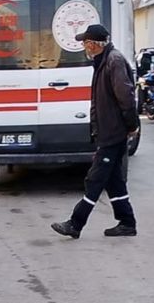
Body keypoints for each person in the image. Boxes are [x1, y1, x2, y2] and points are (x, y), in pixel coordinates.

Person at [51, 25, 139, 239]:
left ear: (93, 44)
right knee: (113, 180)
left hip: (114, 131)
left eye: (85, 43)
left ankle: (75, 223)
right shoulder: (104, 61)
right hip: (109, 131)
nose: (84, 46)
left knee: (96, 179)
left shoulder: (113, 61)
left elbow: (126, 96)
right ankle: (127, 222)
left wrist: (132, 125)